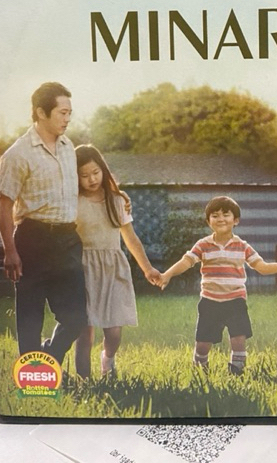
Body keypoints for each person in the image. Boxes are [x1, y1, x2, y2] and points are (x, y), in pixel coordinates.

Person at [0, 82, 87, 366]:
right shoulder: (17, 154)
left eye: (69, 113)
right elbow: (4, 206)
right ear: (40, 112)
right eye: (62, 112)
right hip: (33, 239)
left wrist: (117, 198)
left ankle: (48, 360)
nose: (67, 118)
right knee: (30, 316)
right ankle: (32, 376)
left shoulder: (68, 147)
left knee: (76, 317)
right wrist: (10, 251)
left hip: (68, 239)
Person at [158, 196, 277, 375]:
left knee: (238, 339)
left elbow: (262, 267)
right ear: (208, 221)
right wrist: (167, 274)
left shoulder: (242, 246)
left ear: (236, 220)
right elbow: (186, 261)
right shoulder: (203, 245)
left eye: (226, 215)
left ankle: (237, 372)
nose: (220, 219)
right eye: (215, 215)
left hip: (236, 301)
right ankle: (200, 371)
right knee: (203, 343)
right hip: (210, 301)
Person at [72, 144, 161, 379]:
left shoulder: (117, 200)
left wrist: (148, 268)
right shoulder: (73, 202)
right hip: (83, 269)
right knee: (84, 332)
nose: (92, 179)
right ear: (75, 176)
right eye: (84, 175)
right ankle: (83, 379)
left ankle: (108, 361)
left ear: (103, 170)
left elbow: (131, 238)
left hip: (112, 269)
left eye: (95, 172)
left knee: (113, 331)